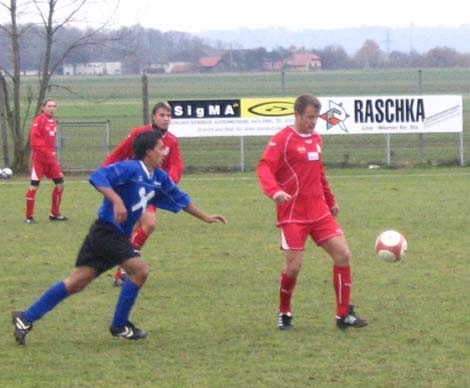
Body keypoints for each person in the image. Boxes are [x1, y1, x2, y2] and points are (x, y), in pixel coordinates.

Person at [12, 130, 226, 346]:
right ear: (149, 151)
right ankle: (120, 325)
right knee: (139, 270)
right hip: (107, 231)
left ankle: (25, 317)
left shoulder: (158, 177)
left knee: (76, 282)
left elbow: (179, 198)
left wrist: (205, 217)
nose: (165, 152)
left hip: (111, 235)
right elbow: (98, 177)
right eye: (161, 148)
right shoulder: (130, 168)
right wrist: (116, 200)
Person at [257, 94, 367, 330]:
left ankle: (342, 315)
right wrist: (274, 191)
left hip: (319, 212)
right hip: (293, 214)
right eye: (309, 117)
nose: (313, 122)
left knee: (343, 255)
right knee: (294, 268)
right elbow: (264, 168)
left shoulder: (317, 138)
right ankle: (284, 313)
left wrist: (330, 199)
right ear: (296, 115)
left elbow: (319, 172)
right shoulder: (282, 139)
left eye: (316, 117)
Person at [103, 101, 183, 286]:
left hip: (151, 190)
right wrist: (107, 174)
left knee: (138, 228)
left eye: (168, 115)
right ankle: (124, 268)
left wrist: (168, 183)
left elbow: (176, 165)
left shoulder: (171, 140)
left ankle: (123, 270)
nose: (166, 119)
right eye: (162, 115)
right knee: (148, 223)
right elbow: (118, 153)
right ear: (154, 117)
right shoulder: (139, 133)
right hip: (132, 187)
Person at [25, 98, 68, 223]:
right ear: (43, 108)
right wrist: (47, 152)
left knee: (60, 184)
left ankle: (54, 213)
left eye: (54, 106)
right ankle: (29, 216)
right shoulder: (39, 120)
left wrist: (52, 154)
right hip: (40, 160)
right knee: (34, 186)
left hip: (51, 160)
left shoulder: (53, 121)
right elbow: (34, 142)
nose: (52, 108)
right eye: (49, 106)